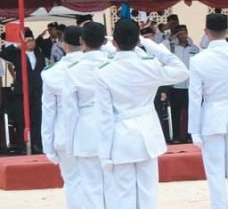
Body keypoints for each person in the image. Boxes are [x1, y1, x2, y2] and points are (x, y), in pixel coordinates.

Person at [95, 19, 191, 209]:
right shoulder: (150, 65)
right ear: (138, 41)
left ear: (114, 42)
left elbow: (104, 117)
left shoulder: (103, 72)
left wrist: (104, 153)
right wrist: (150, 44)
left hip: (120, 137)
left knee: (123, 195)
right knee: (148, 194)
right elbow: (182, 71)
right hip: (148, 134)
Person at [189, 13, 228, 209]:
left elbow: (194, 98)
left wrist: (194, 132)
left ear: (206, 32)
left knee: (215, 173)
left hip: (211, 117)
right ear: (227, 31)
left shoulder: (198, 60)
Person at [67, 22, 113, 208]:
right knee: (114, 187)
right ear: (104, 40)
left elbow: (70, 111)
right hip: (112, 128)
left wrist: (70, 145)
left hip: (85, 130)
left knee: (91, 187)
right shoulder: (112, 64)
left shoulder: (73, 70)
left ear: (81, 40)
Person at [40, 25, 84, 207]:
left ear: (64, 45)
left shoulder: (51, 73)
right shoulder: (98, 66)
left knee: (72, 183)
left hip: (64, 134)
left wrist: (47, 145)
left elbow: (48, 112)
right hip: (95, 133)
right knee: (98, 183)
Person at [1, 29, 45, 154]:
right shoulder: (17, 54)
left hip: (37, 91)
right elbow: (3, 54)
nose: (31, 43)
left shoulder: (39, 54)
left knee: (37, 118)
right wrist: (17, 45)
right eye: (28, 41)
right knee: (22, 120)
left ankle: (36, 144)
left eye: (32, 40)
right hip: (22, 92)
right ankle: (23, 146)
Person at [167, 25, 199, 144]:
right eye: (180, 34)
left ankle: (191, 136)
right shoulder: (173, 48)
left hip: (190, 86)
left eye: (184, 33)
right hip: (176, 85)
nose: (183, 36)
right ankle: (176, 137)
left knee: (191, 113)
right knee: (175, 113)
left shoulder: (194, 48)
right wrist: (172, 38)